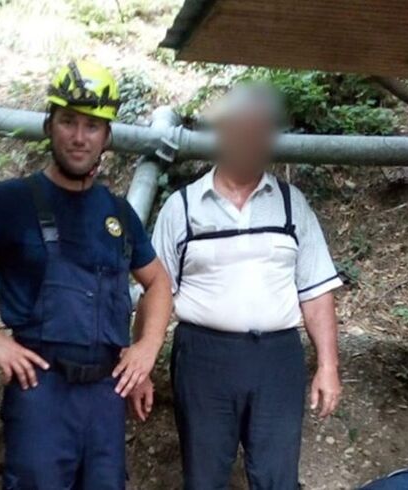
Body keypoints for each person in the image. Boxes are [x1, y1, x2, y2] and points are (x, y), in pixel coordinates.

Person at [0, 60, 172, 490]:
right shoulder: (12, 201)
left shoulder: (118, 213)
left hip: (105, 395)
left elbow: (158, 283)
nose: (79, 136)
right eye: (68, 121)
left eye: (92, 126)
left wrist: (145, 352)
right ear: (49, 126)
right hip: (41, 390)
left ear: (106, 137)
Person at [140, 84, 344, 489]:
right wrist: (142, 364)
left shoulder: (291, 204)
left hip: (277, 359)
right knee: (204, 478)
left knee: (277, 478)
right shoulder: (182, 207)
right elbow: (154, 291)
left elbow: (316, 291)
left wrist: (328, 366)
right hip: (203, 358)